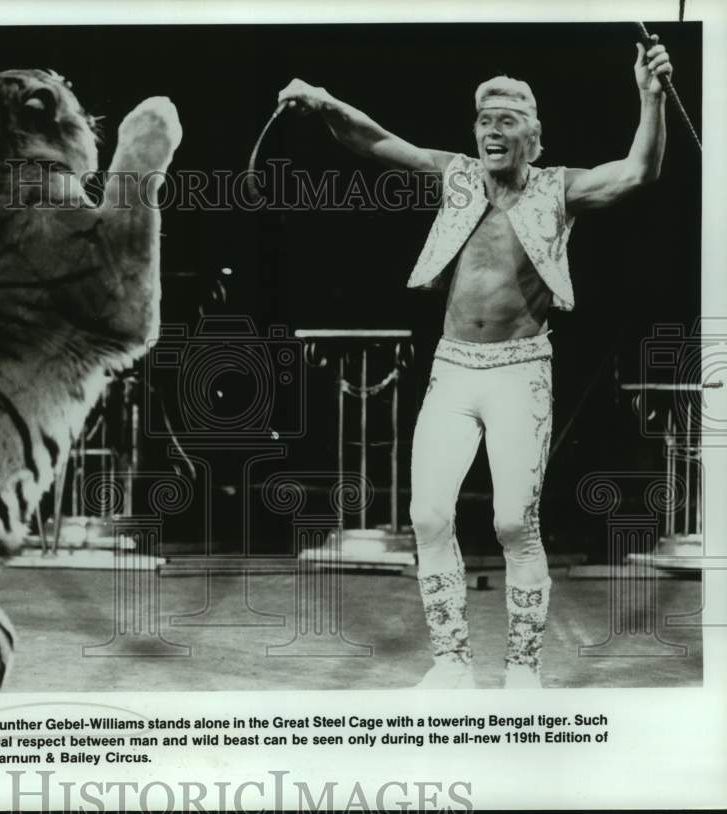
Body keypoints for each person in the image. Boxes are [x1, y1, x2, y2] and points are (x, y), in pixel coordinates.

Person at [278, 36, 673, 688]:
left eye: (507, 121)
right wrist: (323, 101)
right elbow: (375, 141)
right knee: (428, 515)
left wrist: (650, 95)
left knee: (514, 521)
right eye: (485, 120)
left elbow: (638, 171)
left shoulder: (558, 188)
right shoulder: (457, 175)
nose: (492, 130)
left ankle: (522, 669)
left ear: (533, 138)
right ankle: (451, 663)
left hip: (520, 370)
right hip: (454, 368)